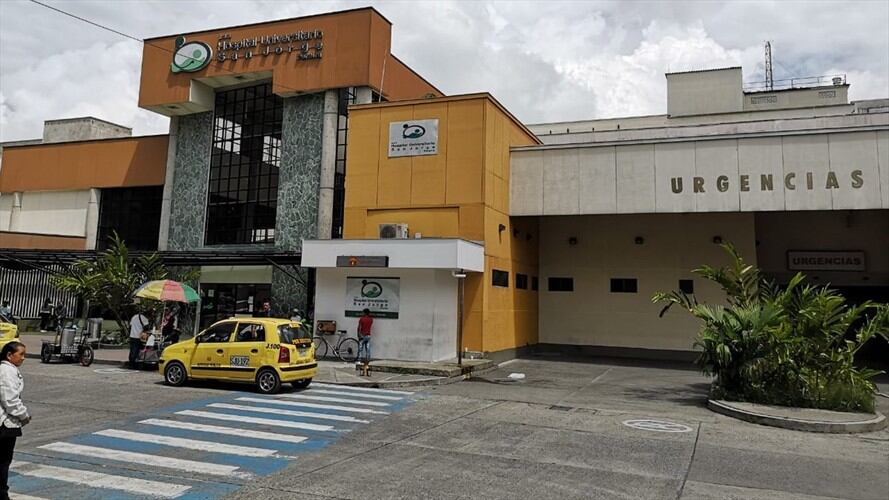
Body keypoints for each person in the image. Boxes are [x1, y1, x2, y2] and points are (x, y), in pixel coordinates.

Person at [1, 341, 30, 500]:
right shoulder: (7, 371)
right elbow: (10, 400)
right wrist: (23, 415)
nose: (23, 358)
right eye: (21, 354)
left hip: (7, 422)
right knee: (3, 461)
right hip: (4, 424)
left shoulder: (8, 369)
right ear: (9, 355)